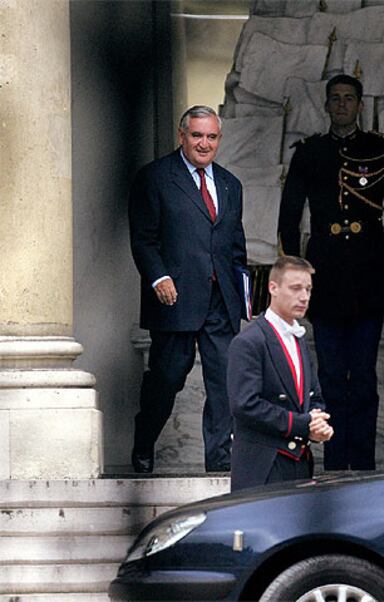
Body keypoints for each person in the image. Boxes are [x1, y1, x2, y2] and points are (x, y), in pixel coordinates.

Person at [278, 74, 384, 470]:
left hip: (371, 281)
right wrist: (292, 282)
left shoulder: (383, 151)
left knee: (365, 380)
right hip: (326, 282)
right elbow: (288, 220)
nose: (341, 105)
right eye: (335, 99)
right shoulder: (309, 152)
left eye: (348, 99)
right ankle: (337, 467)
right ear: (326, 105)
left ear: (359, 105)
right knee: (333, 379)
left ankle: (364, 467)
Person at [129, 105, 247, 473]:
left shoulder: (230, 183)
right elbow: (144, 239)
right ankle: (144, 439)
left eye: (211, 137)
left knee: (224, 383)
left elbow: (235, 245)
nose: (204, 143)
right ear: (182, 136)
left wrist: (244, 298)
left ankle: (219, 463)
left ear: (219, 139)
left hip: (220, 301)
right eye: (197, 135)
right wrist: (159, 278)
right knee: (167, 379)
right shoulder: (155, 177)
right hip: (175, 298)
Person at [228, 256, 333, 492]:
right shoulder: (249, 341)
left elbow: (313, 397)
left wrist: (318, 424)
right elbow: (245, 405)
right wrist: (302, 424)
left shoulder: (298, 339)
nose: (304, 296)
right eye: (296, 288)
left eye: (308, 289)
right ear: (273, 288)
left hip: (299, 463)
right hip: (263, 467)